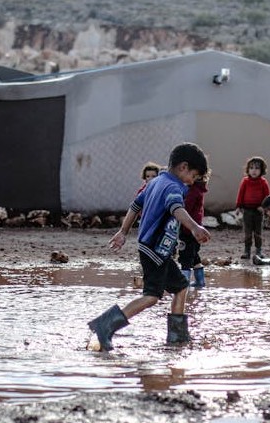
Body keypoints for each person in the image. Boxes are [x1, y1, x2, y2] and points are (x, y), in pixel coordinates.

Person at [90, 143, 211, 351]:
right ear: (183, 168)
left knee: (181, 287)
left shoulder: (156, 181)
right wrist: (194, 227)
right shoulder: (173, 187)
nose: (193, 182)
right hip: (155, 250)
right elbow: (176, 209)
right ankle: (104, 326)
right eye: (194, 176)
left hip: (153, 249)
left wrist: (123, 232)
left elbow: (135, 206)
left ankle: (177, 337)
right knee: (151, 297)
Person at [234, 156, 270, 259]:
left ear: (261, 170)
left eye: (257, 168)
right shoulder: (245, 182)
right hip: (247, 211)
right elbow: (240, 194)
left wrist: (264, 208)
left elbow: (267, 196)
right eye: (251, 168)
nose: (254, 171)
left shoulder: (263, 182)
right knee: (248, 233)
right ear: (248, 170)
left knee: (258, 233)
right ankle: (247, 251)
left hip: (258, 211)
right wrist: (238, 207)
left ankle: (258, 251)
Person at [179, 171, 210, 291]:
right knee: (194, 256)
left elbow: (184, 209)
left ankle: (183, 284)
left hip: (188, 229)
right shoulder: (199, 190)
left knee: (185, 257)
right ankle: (199, 281)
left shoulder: (192, 191)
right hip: (195, 229)